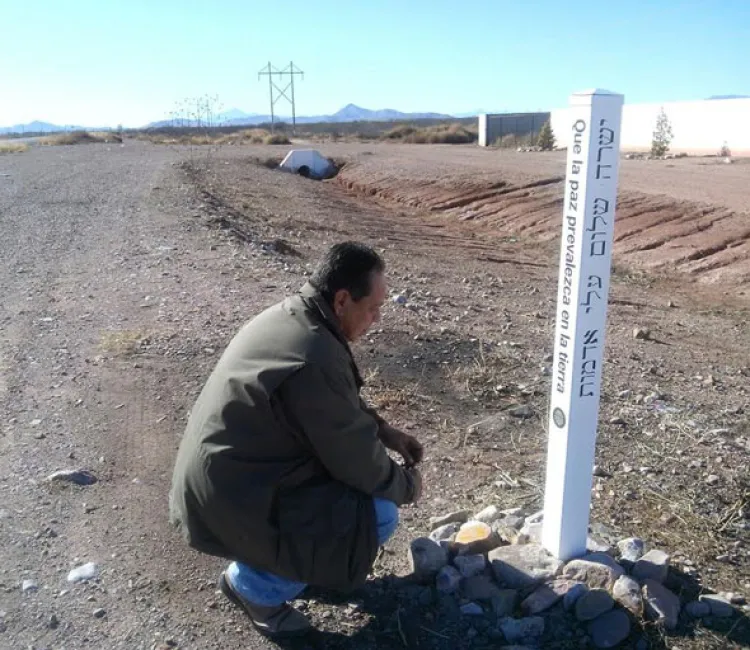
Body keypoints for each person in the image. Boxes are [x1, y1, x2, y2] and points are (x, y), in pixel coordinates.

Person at [169, 241, 423, 638]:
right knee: (379, 513)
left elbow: (337, 407)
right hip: (234, 494)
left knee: (350, 501)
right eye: (373, 308)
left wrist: (384, 430)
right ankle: (254, 588)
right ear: (342, 299)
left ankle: (298, 569)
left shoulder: (298, 318)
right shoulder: (313, 355)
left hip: (232, 476)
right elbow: (356, 461)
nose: (376, 319)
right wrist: (407, 484)